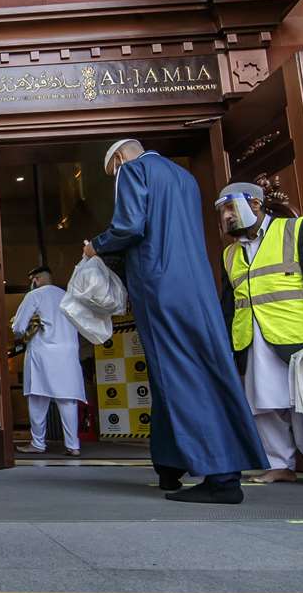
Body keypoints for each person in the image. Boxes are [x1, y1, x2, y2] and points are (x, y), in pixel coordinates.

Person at [83, 138, 266, 504]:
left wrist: (97, 246)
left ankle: (221, 477)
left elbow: (130, 227)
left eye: (112, 172)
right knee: (183, 371)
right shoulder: (184, 177)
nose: (115, 177)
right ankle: (170, 465)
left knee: (180, 374)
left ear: (119, 159)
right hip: (194, 284)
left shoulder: (134, 170)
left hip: (160, 284)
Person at [216, 182, 303, 490]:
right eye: (222, 211)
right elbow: (229, 301)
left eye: (229, 207)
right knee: (262, 406)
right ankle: (279, 465)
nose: (225, 217)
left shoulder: (297, 229)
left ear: (255, 205)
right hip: (251, 337)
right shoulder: (230, 254)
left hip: (296, 335)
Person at [11, 264, 85, 455]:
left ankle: (38, 443)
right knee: (67, 400)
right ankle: (73, 445)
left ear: (36, 279)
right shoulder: (68, 296)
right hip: (68, 354)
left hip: (42, 353)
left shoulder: (35, 295)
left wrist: (25, 326)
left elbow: (18, 326)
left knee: (37, 398)